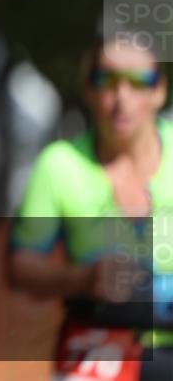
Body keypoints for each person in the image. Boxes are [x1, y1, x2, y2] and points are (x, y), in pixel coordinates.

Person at [9, 34, 173, 380]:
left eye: (138, 82)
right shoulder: (59, 165)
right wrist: (83, 278)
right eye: (108, 81)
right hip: (98, 342)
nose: (122, 99)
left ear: (159, 91)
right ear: (88, 89)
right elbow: (19, 266)